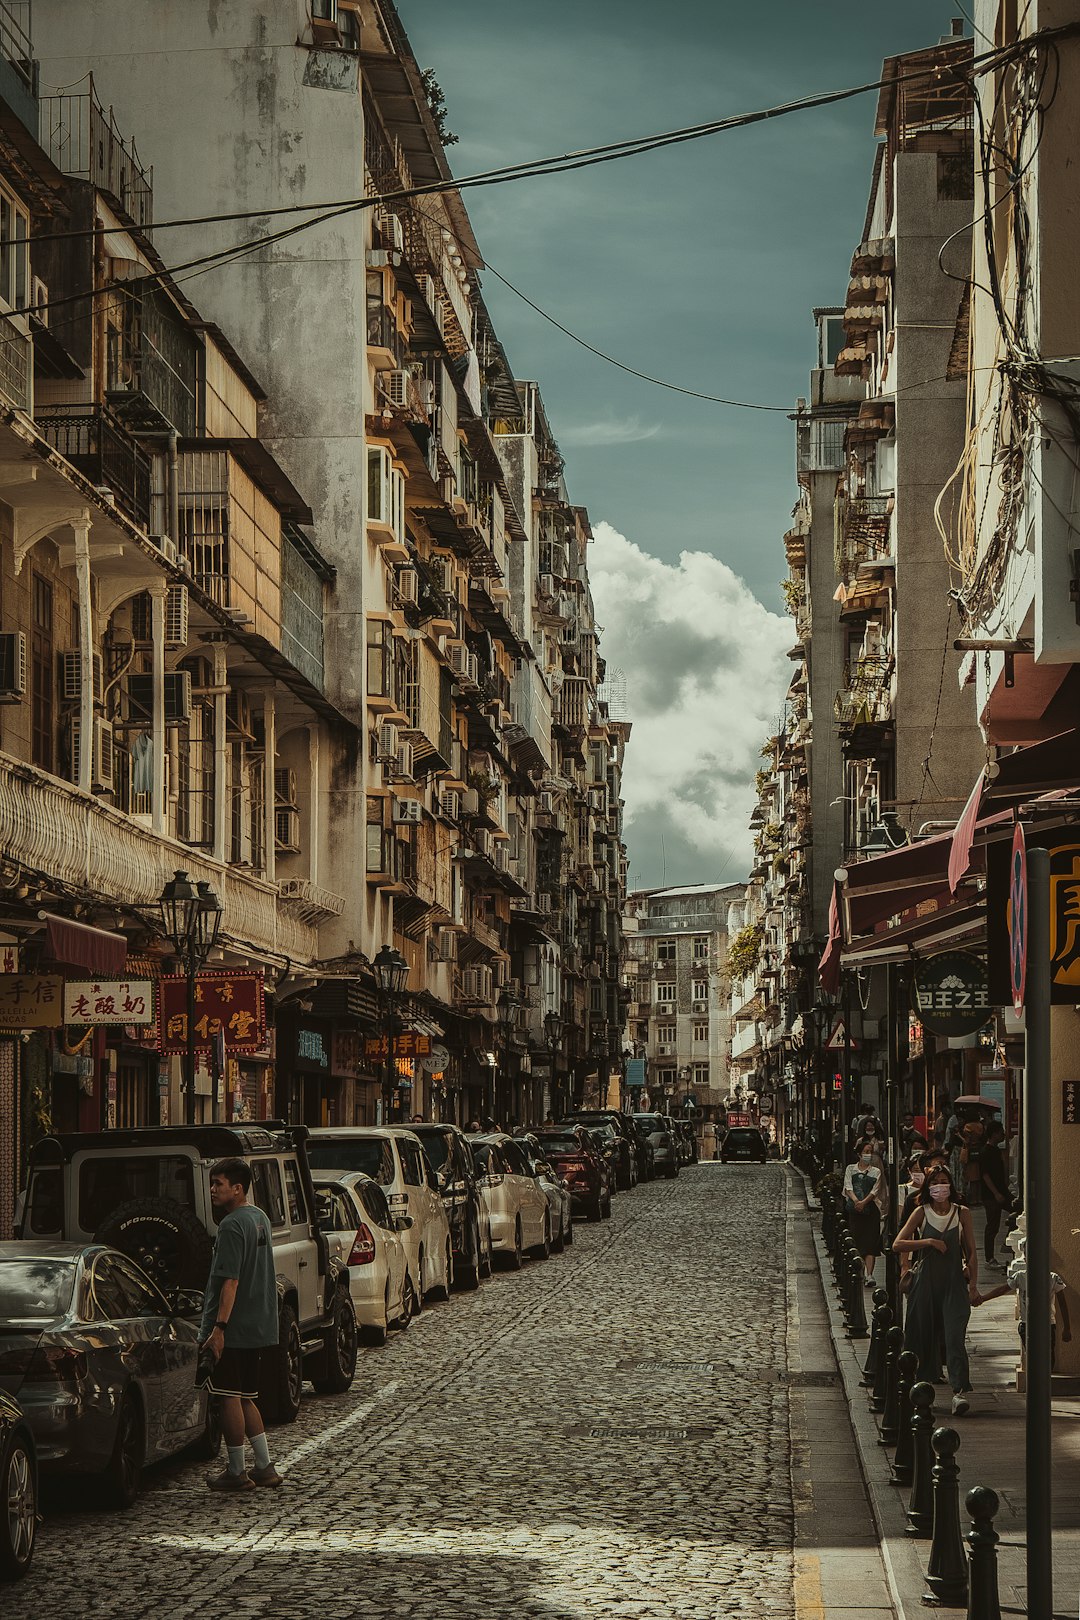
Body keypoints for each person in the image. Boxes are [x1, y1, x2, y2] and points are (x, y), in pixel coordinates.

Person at [199, 1158, 282, 1491]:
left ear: (237, 1188)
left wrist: (218, 1329)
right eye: (212, 1183)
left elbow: (229, 1281)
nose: (213, 1190)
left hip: (232, 1328)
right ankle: (264, 1467)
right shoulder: (259, 1218)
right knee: (247, 1397)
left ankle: (237, 1471)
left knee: (228, 1397)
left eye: (218, 1183)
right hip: (257, 1325)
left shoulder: (232, 1225)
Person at [894, 1163, 979, 1416]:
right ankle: (920, 1390)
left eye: (943, 1181)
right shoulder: (921, 1212)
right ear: (928, 1187)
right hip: (925, 1284)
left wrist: (973, 1286)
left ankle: (959, 1392)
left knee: (954, 1337)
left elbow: (972, 1253)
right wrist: (929, 1241)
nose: (939, 1186)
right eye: (934, 1182)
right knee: (920, 1337)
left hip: (953, 1284)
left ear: (950, 1185)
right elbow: (899, 1243)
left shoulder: (961, 1213)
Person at [977, 1231, 1071, 1369]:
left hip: (1047, 1324)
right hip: (1027, 1324)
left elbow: (1062, 1303)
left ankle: (1044, 1385)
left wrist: (1067, 1328)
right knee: (1034, 1356)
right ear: (1025, 1258)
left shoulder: (1052, 1278)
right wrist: (983, 1298)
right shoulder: (1020, 1277)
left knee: (1048, 1357)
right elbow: (1002, 1289)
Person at [843, 1139, 885, 1286]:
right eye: (866, 1152)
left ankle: (870, 1275)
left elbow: (875, 1191)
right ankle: (858, 1271)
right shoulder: (850, 1169)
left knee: (870, 1242)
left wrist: (864, 1202)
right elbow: (848, 1187)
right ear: (859, 1154)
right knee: (857, 1239)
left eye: (870, 1152)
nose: (868, 1155)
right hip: (855, 1210)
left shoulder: (876, 1171)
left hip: (871, 1210)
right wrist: (856, 1202)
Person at [979, 1122, 1010, 1266]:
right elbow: (985, 1175)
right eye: (1000, 1132)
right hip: (991, 1195)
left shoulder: (997, 1151)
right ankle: (989, 1258)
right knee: (992, 1225)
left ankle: (1008, 1243)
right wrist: (996, 1193)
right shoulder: (985, 1151)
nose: (1003, 1135)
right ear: (993, 1134)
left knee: (1018, 1212)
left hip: (1003, 1191)